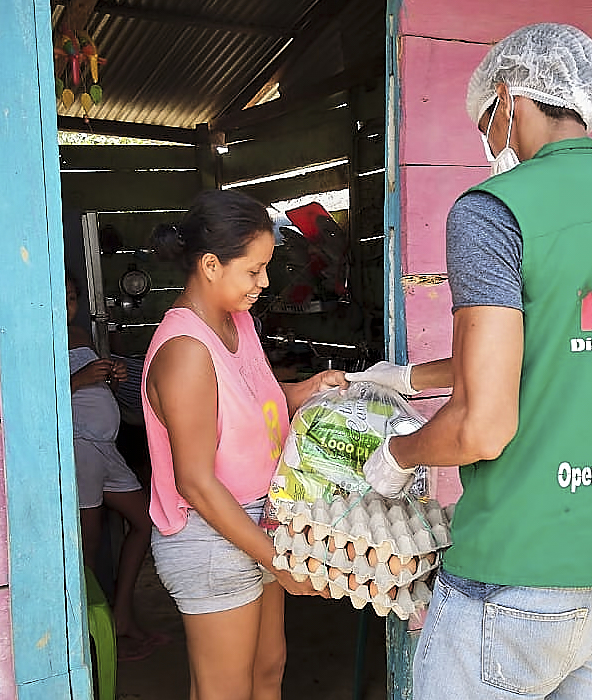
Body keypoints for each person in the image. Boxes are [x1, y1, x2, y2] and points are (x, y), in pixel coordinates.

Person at [347, 22, 592, 700]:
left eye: (485, 119)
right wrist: (410, 378)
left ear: (509, 96)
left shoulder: (495, 210)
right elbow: (561, 345)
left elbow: (483, 424)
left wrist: (401, 454)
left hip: (522, 569)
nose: (489, 138)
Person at [141, 189, 346, 700]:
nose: (265, 281)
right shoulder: (185, 350)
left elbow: (255, 406)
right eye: (254, 270)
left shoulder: (239, 323)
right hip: (213, 533)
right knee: (225, 691)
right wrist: (277, 560)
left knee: (266, 671)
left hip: (260, 519)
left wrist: (306, 391)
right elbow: (195, 480)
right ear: (211, 265)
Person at [66, 271, 165, 662]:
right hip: (78, 449)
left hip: (105, 449)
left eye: (74, 298)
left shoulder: (80, 335)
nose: (69, 306)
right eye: (63, 298)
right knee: (86, 549)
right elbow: (37, 394)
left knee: (144, 522)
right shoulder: (37, 334)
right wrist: (79, 378)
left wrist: (109, 379)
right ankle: (91, 643)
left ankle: (121, 616)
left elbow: (88, 388)